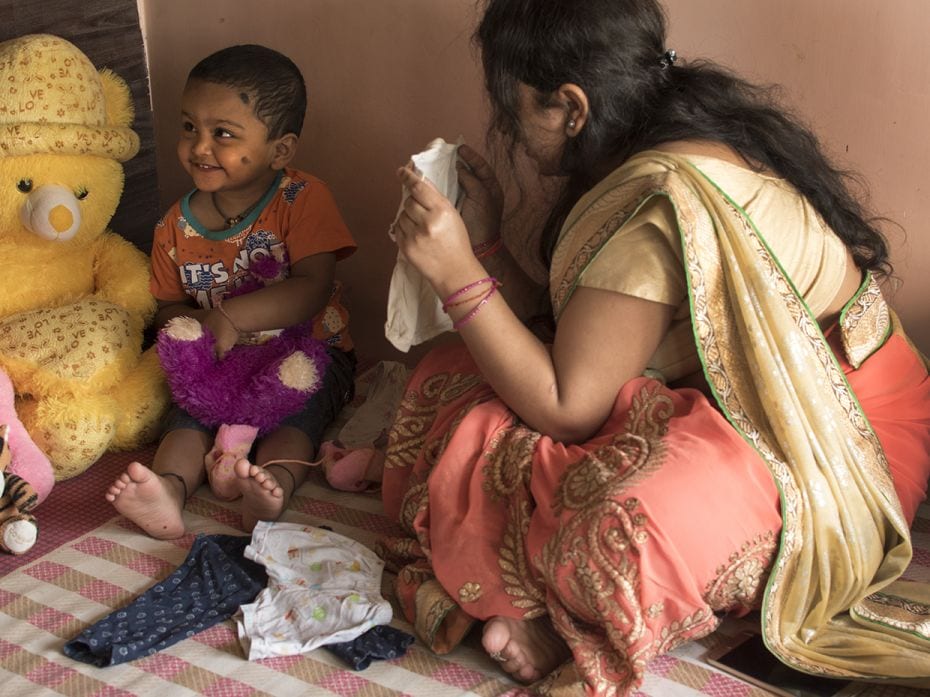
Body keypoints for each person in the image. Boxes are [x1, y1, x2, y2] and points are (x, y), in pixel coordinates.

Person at [382, 1, 930, 695]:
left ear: (570, 108)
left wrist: (456, 274)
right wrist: (483, 244)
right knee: (453, 377)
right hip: (732, 401)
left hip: (831, 443)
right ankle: (537, 594)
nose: (511, 129)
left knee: (638, 518)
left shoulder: (663, 192)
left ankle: (564, 611)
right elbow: (585, 331)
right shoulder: (662, 133)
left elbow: (568, 408)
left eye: (514, 107)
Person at [106, 44, 357, 539]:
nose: (199, 147)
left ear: (280, 150)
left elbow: (313, 287)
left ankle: (269, 489)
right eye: (188, 127)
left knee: (297, 417)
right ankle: (169, 492)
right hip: (220, 363)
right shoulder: (173, 225)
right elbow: (168, 306)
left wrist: (231, 317)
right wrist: (192, 333)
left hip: (307, 355)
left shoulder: (302, 199)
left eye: (222, 134)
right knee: (185, 416)